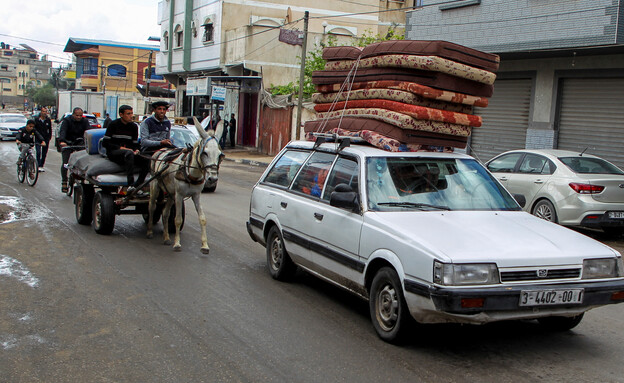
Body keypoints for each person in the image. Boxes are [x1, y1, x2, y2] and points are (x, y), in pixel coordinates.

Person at [102, 105, 149, 194]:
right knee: (128, 153)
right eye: (128, 114)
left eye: (132, 113)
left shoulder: (134, 126)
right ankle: (130, 184)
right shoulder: (113, 124)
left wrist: (137, 150)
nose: (131, 116)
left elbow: (135, 144)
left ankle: (138, 186)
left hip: (129, 153)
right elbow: (105, 143)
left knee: (147, 159)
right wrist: (121, 148)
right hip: (114, 153)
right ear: (121, 114)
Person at [58, 107, 90, 193]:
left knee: (84, 160)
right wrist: (62, 141)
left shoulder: (85, 121)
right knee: (65, 163)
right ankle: (64, 181)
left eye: (80, 115)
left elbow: (88, 132)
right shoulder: (67, 121)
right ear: (73, 115)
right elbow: (63, 131)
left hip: (79, 143)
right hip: (68, 142)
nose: (79, 117)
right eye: (77, 115)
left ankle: (81, 178)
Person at [34, 107, 52, 171]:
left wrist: (49, 137)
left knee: (44, 153)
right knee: (38, 152)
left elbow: (50, 129)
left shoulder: (48, 120)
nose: (44, 113)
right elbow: (34, 129)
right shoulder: (36, 119)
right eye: (43, 111)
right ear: (41, 112)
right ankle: (38, 165)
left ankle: (41, 165)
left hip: (46, 138)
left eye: (45, 111)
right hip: (38, 138)